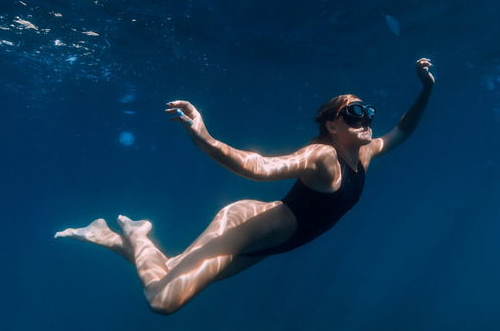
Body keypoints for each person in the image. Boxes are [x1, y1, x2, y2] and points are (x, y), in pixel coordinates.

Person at [55, 58, 434, 315]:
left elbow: (403, 130)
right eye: (353, 113)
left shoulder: (365, 154)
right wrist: (206, 140)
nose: (365, 120)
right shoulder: (322, 156)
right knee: (163, 301)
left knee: (170, 270)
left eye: (367, 113)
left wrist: (426, 89)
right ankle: (137, 234)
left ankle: (109, 236)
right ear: (332, 126)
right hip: (244, 226)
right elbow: (261, 167)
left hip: (270, 244)